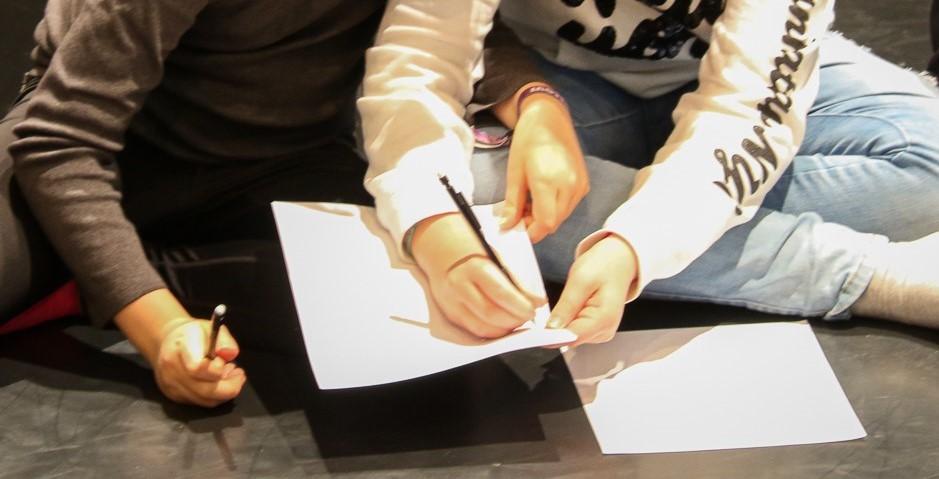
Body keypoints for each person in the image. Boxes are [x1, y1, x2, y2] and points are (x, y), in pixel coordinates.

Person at [0, 0, 528, 407]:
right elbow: (61, 142)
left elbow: (462, 27)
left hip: (278, 165)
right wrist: (161, 329)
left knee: (433, 318)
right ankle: (108, 273)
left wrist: (535, 102)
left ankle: (102, 279)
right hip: (101, 151)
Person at [360, 0, 939, 346]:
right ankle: (864, 271)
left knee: (927, 169)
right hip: (558, 86)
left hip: (734, 71)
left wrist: (638, 241)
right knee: (469, 181)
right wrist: (439, 233)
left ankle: (638, 190)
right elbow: (420, 63)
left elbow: (750, 106)